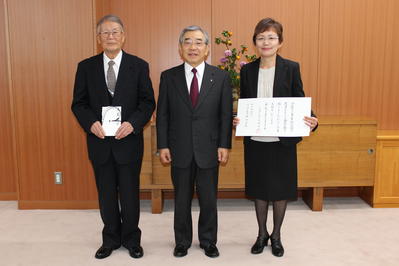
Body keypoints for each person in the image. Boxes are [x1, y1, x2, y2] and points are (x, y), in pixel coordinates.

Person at [71, 14, 155, 259]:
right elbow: (78, 104)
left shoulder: (138, 65)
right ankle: (110, 239)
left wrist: (133, 123)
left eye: (115, 32)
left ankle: (132, 240)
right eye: (105, 33)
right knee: (106, 193)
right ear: (99, 38)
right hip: (99, 142)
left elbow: (148, 102)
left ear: (123, 36)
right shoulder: (85, 67)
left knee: (130, 193)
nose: (110, 36)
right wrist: (90, 124)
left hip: (128, 141)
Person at [233, 18, 318, 257]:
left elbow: (299, 100)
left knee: (281, 191)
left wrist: (313, 119)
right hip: (256, 141)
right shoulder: (247, 70)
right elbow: (245, 103)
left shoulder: (291, 67)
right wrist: (238, 119)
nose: (266, 42)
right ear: (255, 43)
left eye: (271, 37)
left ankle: (277, 236)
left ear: (280, 42)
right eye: (261, 38)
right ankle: (261, 234)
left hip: (283, 142)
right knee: (260, 190)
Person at [156, 25, 232, 258]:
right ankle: (182, 241)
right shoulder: (168, 77)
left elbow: (225, 114)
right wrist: (163, 145)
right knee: (181, 199)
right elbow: (163, 114)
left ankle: (208, 241)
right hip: (179, 148)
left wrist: (224, 144)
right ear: (180, 48)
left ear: (207, 49)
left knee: (209, 199)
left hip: (209, 148)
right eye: (187, 41)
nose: (193, 47)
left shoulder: (220, 77)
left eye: (199, 42)